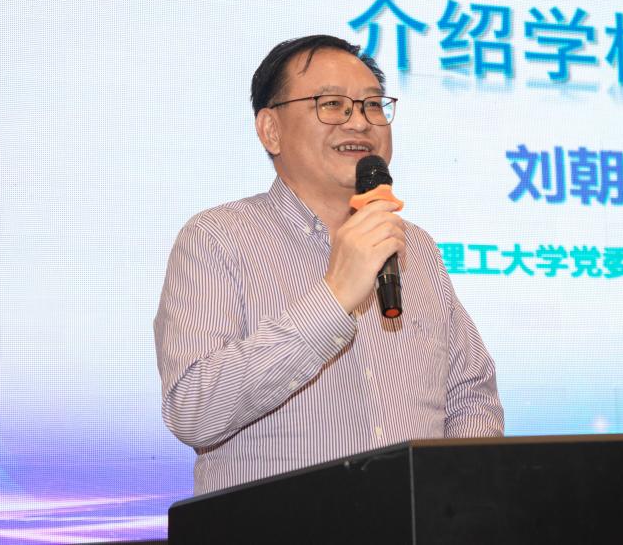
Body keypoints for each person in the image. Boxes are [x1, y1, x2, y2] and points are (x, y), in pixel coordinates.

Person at [154, 34, 504, 494]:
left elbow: (471, 394)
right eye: (332, 105)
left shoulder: (415, 247)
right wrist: (334, 298)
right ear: (270, 130)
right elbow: (193, 410)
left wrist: (452, 494)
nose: (359, 122)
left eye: (373, 105)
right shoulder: (217, 238)